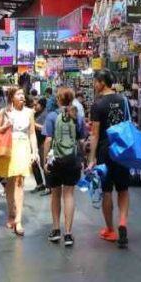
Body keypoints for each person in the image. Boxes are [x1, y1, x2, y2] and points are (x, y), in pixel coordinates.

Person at [87, 69, 132, 248]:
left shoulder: (97, 105)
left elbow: (95, 134)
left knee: (106, 190)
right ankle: (123, 222)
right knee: (123, 189)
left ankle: (110, 230)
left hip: (106, 151)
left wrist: (91, 158)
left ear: (102, 82)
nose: (93, 85)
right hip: (122, 148)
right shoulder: (123, 100)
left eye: (95, 81)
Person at [44, 87, 88, 247]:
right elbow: (82, 141)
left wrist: (45, 160)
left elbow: (48, 140)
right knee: (69, 195)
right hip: (72, 159)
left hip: (55, 159)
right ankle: (68, 234)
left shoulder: (51, 116)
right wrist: (83, 159)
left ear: (58, 100)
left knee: (55, 194)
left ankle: (56, 230)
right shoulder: (78, 116)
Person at [0, 88, 37, 236]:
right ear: (12, 97)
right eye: (19, 94)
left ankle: (18, 220)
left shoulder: (29, 112)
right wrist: (6, 125)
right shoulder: (4, 112)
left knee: (19, 181)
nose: (22, 96)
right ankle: (11, 212)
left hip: (23, 147)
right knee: (10, 182)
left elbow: (32, 133)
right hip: (8, 147)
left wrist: (34, 151)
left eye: (23, 94)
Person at [30, 98, 50, 196]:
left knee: (44, 164)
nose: (35, 106)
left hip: (43, 142)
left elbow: (44, 128)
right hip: (35, 142)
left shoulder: (46, 115)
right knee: (33, 163)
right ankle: (40, 184)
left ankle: (49, 186)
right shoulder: (35, 114)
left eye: (36, 105)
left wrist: (33, 124)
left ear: (41, 105)